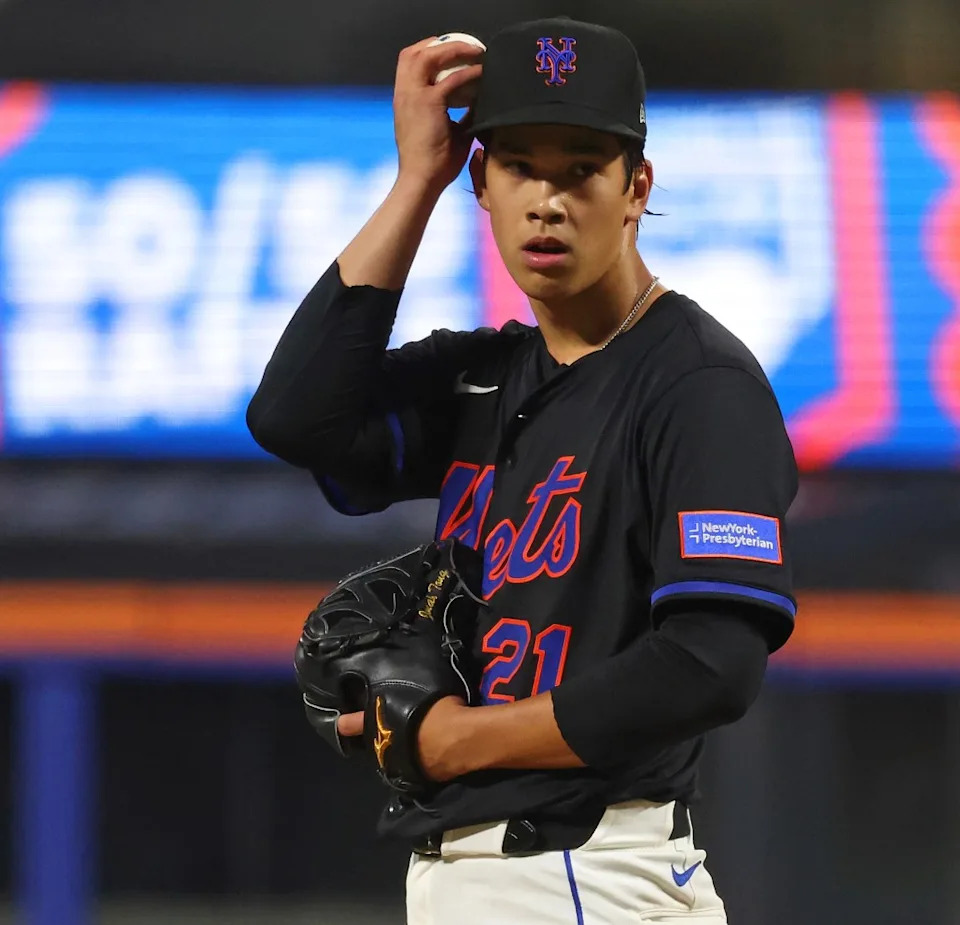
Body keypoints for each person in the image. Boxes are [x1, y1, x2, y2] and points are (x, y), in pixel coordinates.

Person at [247, 16, 798, 925]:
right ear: (483, 183)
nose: (548, 199)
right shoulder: (488, 376)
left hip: (581, 869)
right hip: (500, 877)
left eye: (581, 166)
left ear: (636, 187)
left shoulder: (699, 386)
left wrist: (457, 742)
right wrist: (414, 182)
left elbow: (710, 662)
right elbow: (296, 416)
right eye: (520, 166)